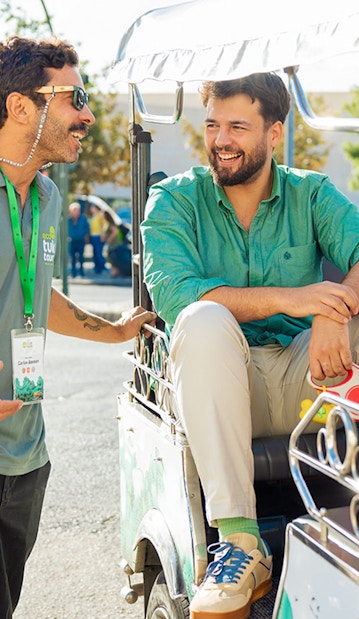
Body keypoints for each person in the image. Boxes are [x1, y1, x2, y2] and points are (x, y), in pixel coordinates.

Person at [141, 72, 359, 619]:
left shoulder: (311, 193)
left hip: (302, 379)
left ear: (274, 133)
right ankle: (240, 543)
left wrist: (336, 307)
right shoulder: (172, 201)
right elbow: (180, 297)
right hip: (211, 381)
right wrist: (302, 299)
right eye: (212, 124)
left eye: (238, 125)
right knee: (205, 317)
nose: (221, 139)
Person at [0, 36, 156, 618]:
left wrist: (113, 330)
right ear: (21, 107)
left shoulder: (45, 193)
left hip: (26, 459)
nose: (88, 114)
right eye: (75, 96)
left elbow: (36, 291)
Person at [103, 210, 132, 278]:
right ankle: (115, 271)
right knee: (110, 257)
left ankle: (115, 271)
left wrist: (109, 239)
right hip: (113, 244)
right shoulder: (108, 223)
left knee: (110, 257)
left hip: (114, 243)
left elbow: (115, 231)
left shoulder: (111, 224)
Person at [68, 201, 89, 277]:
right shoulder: (68, 219)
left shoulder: (83, 218)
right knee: (73, 257)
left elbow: (87, 228)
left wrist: (85, 236)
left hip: (81, 240)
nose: (77, 212)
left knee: (81, 257)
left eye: (78, 210)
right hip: (72, 240)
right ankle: (73, 273)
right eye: (75, 210)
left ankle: (81, 272)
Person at [88, 203, 107, 273]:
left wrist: (103, 235)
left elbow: (104, 225)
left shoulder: (100, 215)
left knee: (99, 253)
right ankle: (97, 268)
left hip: (99, 236)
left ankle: (102, 267)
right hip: (93, 236)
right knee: (95, 253)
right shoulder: (93, 216)